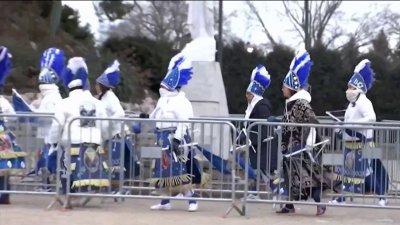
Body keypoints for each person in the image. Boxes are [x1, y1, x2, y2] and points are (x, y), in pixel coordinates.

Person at [329, 59, 389, 206]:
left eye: (350, 87)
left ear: (358, 87)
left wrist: (354, 124)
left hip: (364, 142)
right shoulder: (351, 104)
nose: (348, 90)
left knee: (368, 172)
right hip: (351, 142)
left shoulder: (364, 102)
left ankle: (382, 197)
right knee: (347, 172)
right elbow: (348, 120)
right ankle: (342, 198)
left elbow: (372, 118)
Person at [276, 49, 329, 215]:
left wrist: (309, 142)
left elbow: (313, 121)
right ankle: (290, 205)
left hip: (299, 146)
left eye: (284, 86)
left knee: (306, 178)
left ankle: (320, 204)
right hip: (290, 147)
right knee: (291, 177)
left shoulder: (300, 103)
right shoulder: (290, 103)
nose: (282, 88)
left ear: (291, 87)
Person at [48, 57, 110, 195]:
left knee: (54, 160)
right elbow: (105, 127)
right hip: (94, 144)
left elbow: (56, 127)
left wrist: (53, 142)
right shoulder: (98, 103)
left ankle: (67, 191)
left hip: (71, 144)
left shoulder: (64, 103)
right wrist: (102, 140)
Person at [147, 52, 199, 212]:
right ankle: (165, 201)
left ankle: (192, 199)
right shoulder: (162, 101)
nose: (160, 89)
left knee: (179, 173)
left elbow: (184, 121)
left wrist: (177, 140)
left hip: (175, 139)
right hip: (161, 138)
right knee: (161, 173)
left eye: (163, 86)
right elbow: (154, 117)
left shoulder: (181, 101)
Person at [95, 60, 139, 187]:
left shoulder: (110, 97)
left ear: (102, 86)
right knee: (111, 165)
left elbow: (120, 114)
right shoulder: (103, 98)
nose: (95, 87)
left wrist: (107, 123)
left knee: (116, 166)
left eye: (97, 85)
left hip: (117, 136)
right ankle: (114, 188)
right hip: (111, 137)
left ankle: (118, 189)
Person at [238, 64, 278, 199]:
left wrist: (248, 138)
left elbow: (262, 126)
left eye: (249, 94)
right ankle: (255, 192)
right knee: (259, 171)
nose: (247, 96)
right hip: (256, 143)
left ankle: (278, 191)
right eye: (246, 93)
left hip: (263, 143)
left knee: (265, 171)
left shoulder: (262, 106)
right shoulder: (253, 106)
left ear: (254, 94)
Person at [31, 48, 64, 189]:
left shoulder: (51, 98)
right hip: (47, 135)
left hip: (50, 136)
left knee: (47, 161)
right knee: (44, 160)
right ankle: (45, 183)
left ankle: (47, 184)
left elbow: (49, 117)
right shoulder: (50, 97)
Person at [0, 46, 27, 204]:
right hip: (3, 139)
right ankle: (3, 195)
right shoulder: (3, 102)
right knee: (3, 169)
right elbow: (12, 118)